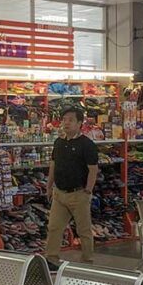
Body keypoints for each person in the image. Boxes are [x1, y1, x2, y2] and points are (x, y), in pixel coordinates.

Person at [45, 107, 98, 262]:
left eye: (71, 120)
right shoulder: (59, 143)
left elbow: (93, 170)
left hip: (78, 193)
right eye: (64, 119)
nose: (66, 123)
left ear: (79, 123)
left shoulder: (87, 145)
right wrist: (49, 186)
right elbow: (53, 166)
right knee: (54, 227)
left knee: (84, 230)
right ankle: (51, 259)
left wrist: (88, 191)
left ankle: (87, 260)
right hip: (59, 193)